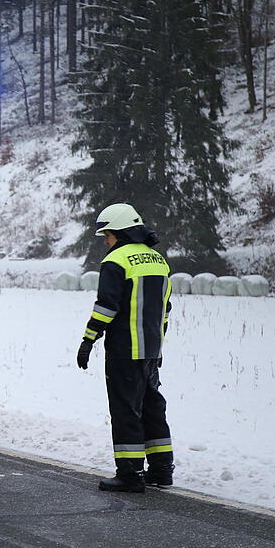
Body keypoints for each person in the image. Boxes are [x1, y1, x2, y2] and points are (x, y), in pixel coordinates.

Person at [76, 203, 174, 492]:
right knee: (152, 408)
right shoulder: (158, 260)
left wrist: (88, 340)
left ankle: (130, 474)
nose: (105, 241)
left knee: (125, 410)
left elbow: (106, 307)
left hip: (124, 350)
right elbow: (165, 309)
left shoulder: (116, 261)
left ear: (119, 232)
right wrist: (157, 345)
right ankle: (161, 469)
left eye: (107, 235)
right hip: (151, 350)